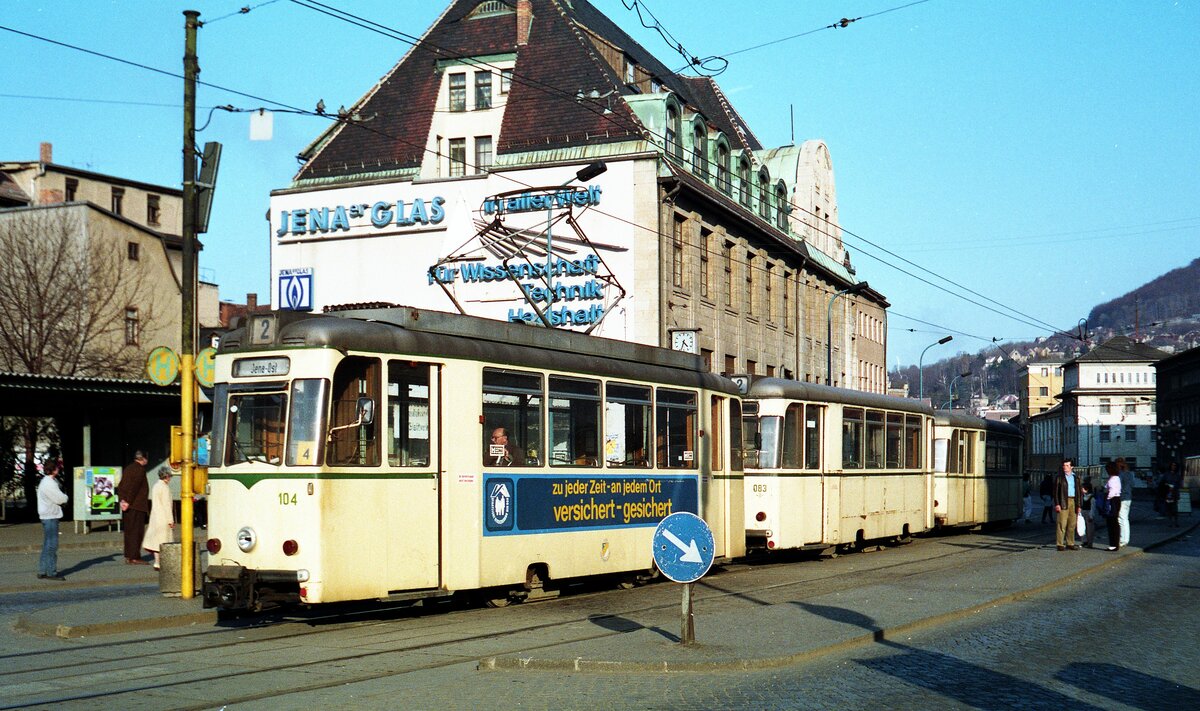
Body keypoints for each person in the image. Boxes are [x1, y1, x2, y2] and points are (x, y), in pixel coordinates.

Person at [37, 460, 69, 581]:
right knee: (52, 544)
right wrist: (66, 497)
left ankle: (42, 570)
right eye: (57, 468)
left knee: (47, 544)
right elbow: (60, 499)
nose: (59, 470)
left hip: (47, 515)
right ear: (54, 469)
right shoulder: (49, 483)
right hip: (50, 515)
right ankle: (51, 572)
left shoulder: (46, 481)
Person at [116, 451, 151, 564]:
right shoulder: (140, 470)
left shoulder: (128, 468)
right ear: (143, 459)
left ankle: (129, 555)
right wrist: (128, 501)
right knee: (137, 532)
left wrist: (122, 500)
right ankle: (135, 557)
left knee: (129, 532)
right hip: (136, 505)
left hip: (127, 505)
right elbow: (134, 487)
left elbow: (121, 486)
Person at [142, 468, 175, 570]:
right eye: (169, 476)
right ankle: (163, 563)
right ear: (166, 476)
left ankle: (157, 562)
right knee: (164, 542)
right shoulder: (165, 488)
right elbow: (166, 504)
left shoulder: (156, 486)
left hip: (155, 516)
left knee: (157, 541)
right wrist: (170, 520)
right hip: (164, 517)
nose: (170, 478)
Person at [1054, 459, 1082, 551]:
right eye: (1064, 465)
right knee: (1062, 523)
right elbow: (1055, 492)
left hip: (1073, 501)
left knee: (1072, 523)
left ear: (1071, 467)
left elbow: (1079, 492)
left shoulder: (1076, 477)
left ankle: (1070, 543)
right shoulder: (1059, 477)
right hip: (1063, 501)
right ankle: (1060, 544)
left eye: (1067, 465)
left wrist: (1079, 505)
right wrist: (1057, 503)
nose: (1065, 467)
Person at [1103, 461, 1122, 551]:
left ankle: (1114, 544)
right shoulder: (1115, 478)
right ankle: (1114, 543)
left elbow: (1112, 491)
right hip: (1115, 500)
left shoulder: (1113, 479)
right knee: (1113, 522)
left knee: (1112, 522)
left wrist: (1107, 498)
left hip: (1113, 500)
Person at [1116, 457, 1134, 547]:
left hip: (1122, 497)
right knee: (1124, 518)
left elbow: (1119, 486)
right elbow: (1133, 484)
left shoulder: (1121, 474)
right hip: (1128, 497)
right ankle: (1125, 538)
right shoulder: (1130, 474)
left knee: (1121, 518)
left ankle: (1123, 539)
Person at [1164, 463, 1183, 528]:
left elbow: (1180, 484)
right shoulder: (1166, 474)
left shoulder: (1178, 475)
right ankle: (1170, 522)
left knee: (1175, 508)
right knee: (1169, 508)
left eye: (1175, 466)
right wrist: (1167, 486)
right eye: (1172, 465)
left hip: (1174, 493)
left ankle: (1176, 522)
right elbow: (1163, 483)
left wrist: (1175, 486)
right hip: (1168, 493)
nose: (1173, 467)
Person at [1080, 479, 1095, 548]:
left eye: (1082, 488)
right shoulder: (1082, 496)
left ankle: (1090, 542)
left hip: (1089, 512)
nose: (1081, 490)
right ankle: (1084, 541)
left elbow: (1093, 507)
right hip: (1083, 512)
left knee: (1089, 529)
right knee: (1082, 527)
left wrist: (1091, 515)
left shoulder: (1092, 497)